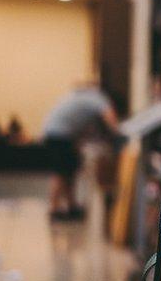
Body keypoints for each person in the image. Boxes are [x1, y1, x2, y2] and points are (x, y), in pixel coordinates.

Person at [41, 81, 119, 220]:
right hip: (59, 134)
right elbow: (110, 117)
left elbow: (81, 126)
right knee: (61, 172)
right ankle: (53, 209)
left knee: (69, 172)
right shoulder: (99, 98)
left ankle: (72, 206)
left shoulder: (82, 97)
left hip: (56, 132)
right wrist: (118, 136)